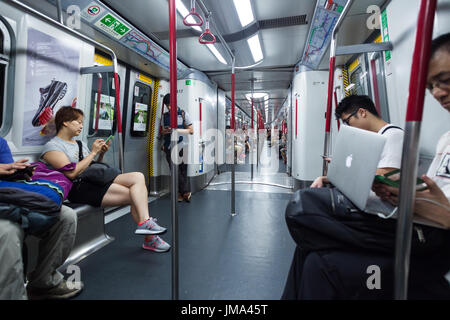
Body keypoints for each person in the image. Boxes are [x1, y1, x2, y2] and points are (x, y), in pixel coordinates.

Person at [282, 33, 450, 300]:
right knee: (308, 248)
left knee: (302, 207)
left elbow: (383, 182)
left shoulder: (393, 136)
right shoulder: (445, 140)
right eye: (432, 86)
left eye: (445, 81)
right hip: (409, 217)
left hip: (412, 229)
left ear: (362, 112)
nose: (438, 92)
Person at [40, 106, 170, 253]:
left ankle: (146, 224)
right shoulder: (52, 147)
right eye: (78, 122)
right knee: (137, 195)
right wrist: (93, 152)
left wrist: (100, 155)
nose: (82, 126)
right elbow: (72, 173)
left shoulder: (80, 143)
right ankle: (149, 236)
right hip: (77, 188)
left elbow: (92, 168)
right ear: (65, 122)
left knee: (138, 180)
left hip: (91, 182)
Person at [0, 136, 81, 300]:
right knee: (8, 230)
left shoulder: (0, 142)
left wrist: (19, 172)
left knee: (66, 216)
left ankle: (44, 281)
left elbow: (7, 174)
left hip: (5, 197)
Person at [311, 95, 404, 188]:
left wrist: (348, 167)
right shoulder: (375, 138)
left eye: (347, 121)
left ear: (362, 112)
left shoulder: (393, 136)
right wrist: (326, 178)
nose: (349, 126)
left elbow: (387, 175)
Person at [160, 93, 194, 202]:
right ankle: (186, 192)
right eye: (167, 106)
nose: (169, 107)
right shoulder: (164, 116)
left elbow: (191, 130)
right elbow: (162, 131)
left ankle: (180, 193)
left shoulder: (183, 114)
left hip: (183, 146)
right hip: (170, 146)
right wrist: (166, 131)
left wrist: (176, 130)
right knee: (175, 171)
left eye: (170, 105)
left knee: (183, 171)